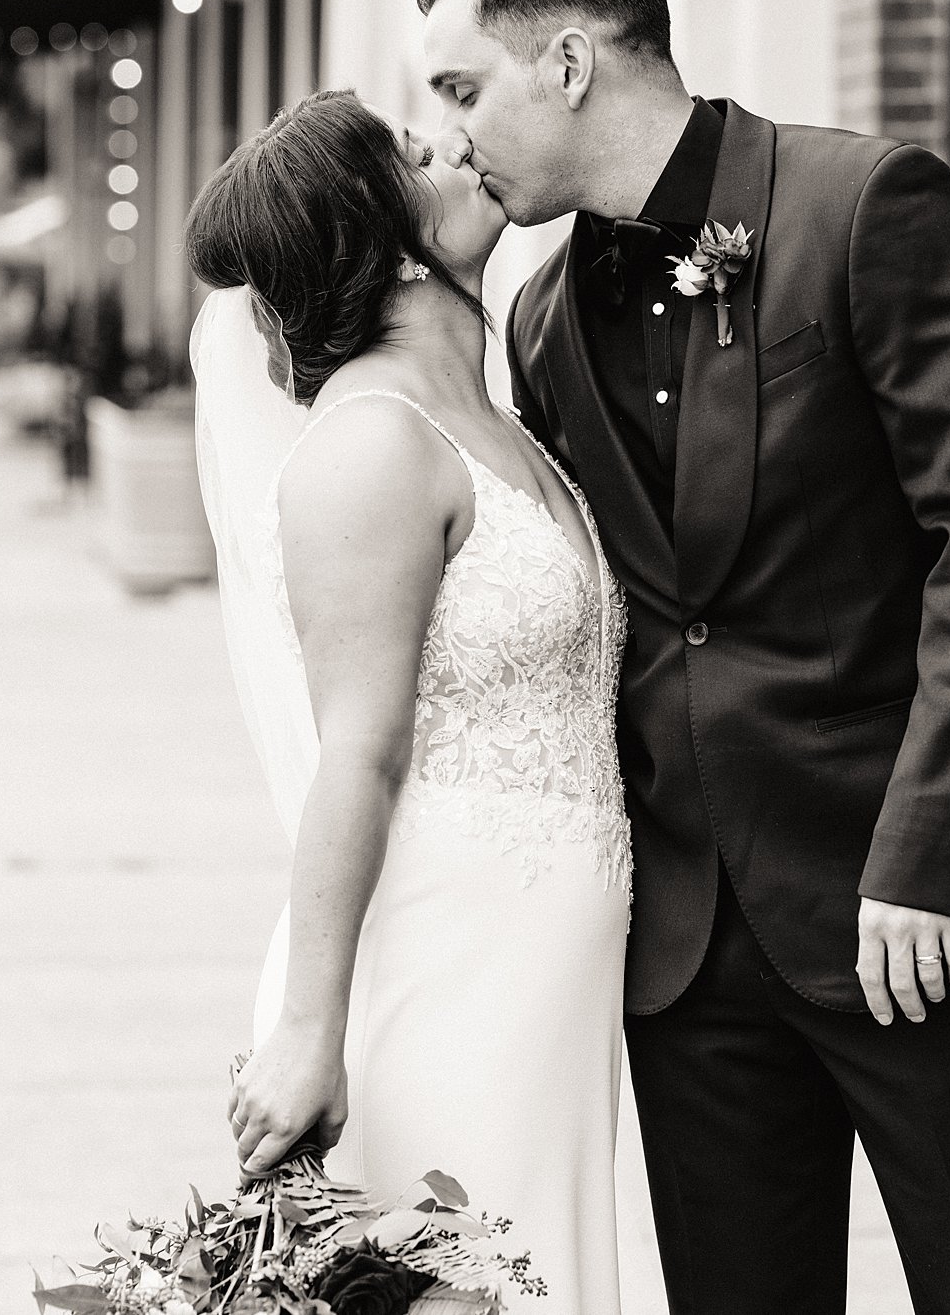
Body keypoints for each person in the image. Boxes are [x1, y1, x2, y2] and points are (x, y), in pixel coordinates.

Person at [418, 0, 950, 1315]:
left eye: (460, 89)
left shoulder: (870, 204)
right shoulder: (542, 315)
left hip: (913, 907)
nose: (447, 136)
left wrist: (922, 852)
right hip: (688, 940)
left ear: (567, 61)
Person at [188, 89, 630, 1313]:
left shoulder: (498, 419)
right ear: (372, 243)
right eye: (414, 155)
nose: (455, 146)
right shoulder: (368, 448)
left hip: (551, 968)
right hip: (439, 960)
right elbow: (358, 753)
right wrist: (308, 1029)